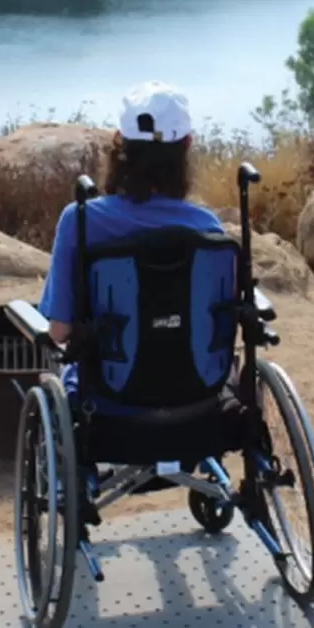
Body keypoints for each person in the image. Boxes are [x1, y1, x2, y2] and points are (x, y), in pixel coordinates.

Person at [38, 80, 224, 406]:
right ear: (187, 146)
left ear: (120, 147)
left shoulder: (81, 221)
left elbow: (59, 332)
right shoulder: (206, 228)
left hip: (109, 401)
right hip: (196, 399)